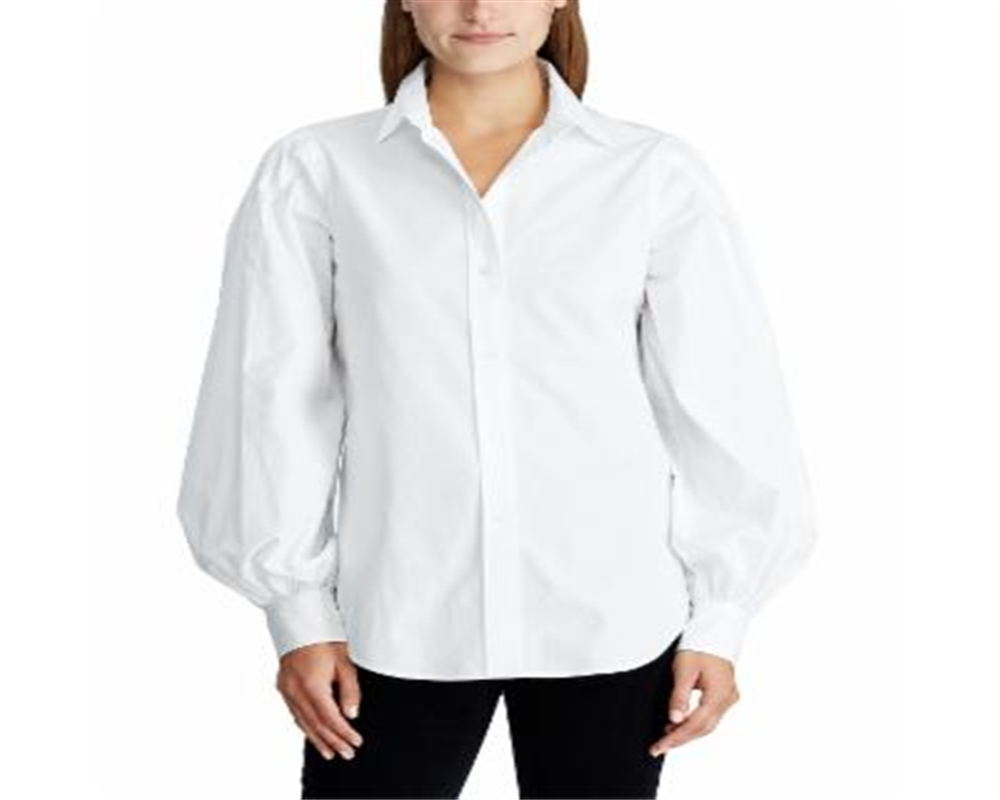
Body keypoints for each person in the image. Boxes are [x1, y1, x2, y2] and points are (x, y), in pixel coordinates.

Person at [175, 0, 818, 797]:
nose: (480, 8)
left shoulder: (651, 173)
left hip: (609, 617)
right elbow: (269, 397)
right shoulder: (318, 169)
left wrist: (723, 617)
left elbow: (723, 400)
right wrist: (296, 613)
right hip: (399, 619)